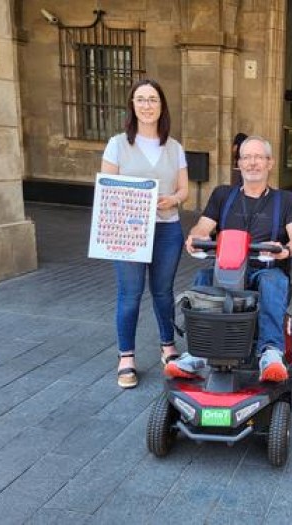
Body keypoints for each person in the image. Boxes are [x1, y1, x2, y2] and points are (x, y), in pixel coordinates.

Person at [174, 135, 292, 382]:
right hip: (228, 269)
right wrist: (196, 236)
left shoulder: (286, 200)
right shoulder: (223, 195)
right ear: (239, 164)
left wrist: (286, 249)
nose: (252, 163)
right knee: (204, 276)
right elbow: (203, 227)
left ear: (270, 163)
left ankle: (270, 353)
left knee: (272, 280)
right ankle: (199, 353)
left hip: (266, 270)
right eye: (246, 157)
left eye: (258, 157)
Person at [101, 78, 189, 389]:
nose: (147, 105)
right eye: (141, 99)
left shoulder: (174, 147)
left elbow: (184, 189)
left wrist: (173, 200)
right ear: (132, 105)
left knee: (163, 292)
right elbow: (107, 189)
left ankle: (168, 347)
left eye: (152, 99)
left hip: (167, 229)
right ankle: (126, 357)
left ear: (161, 105)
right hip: (128, 233)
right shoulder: (117, 144)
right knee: (130, 293)